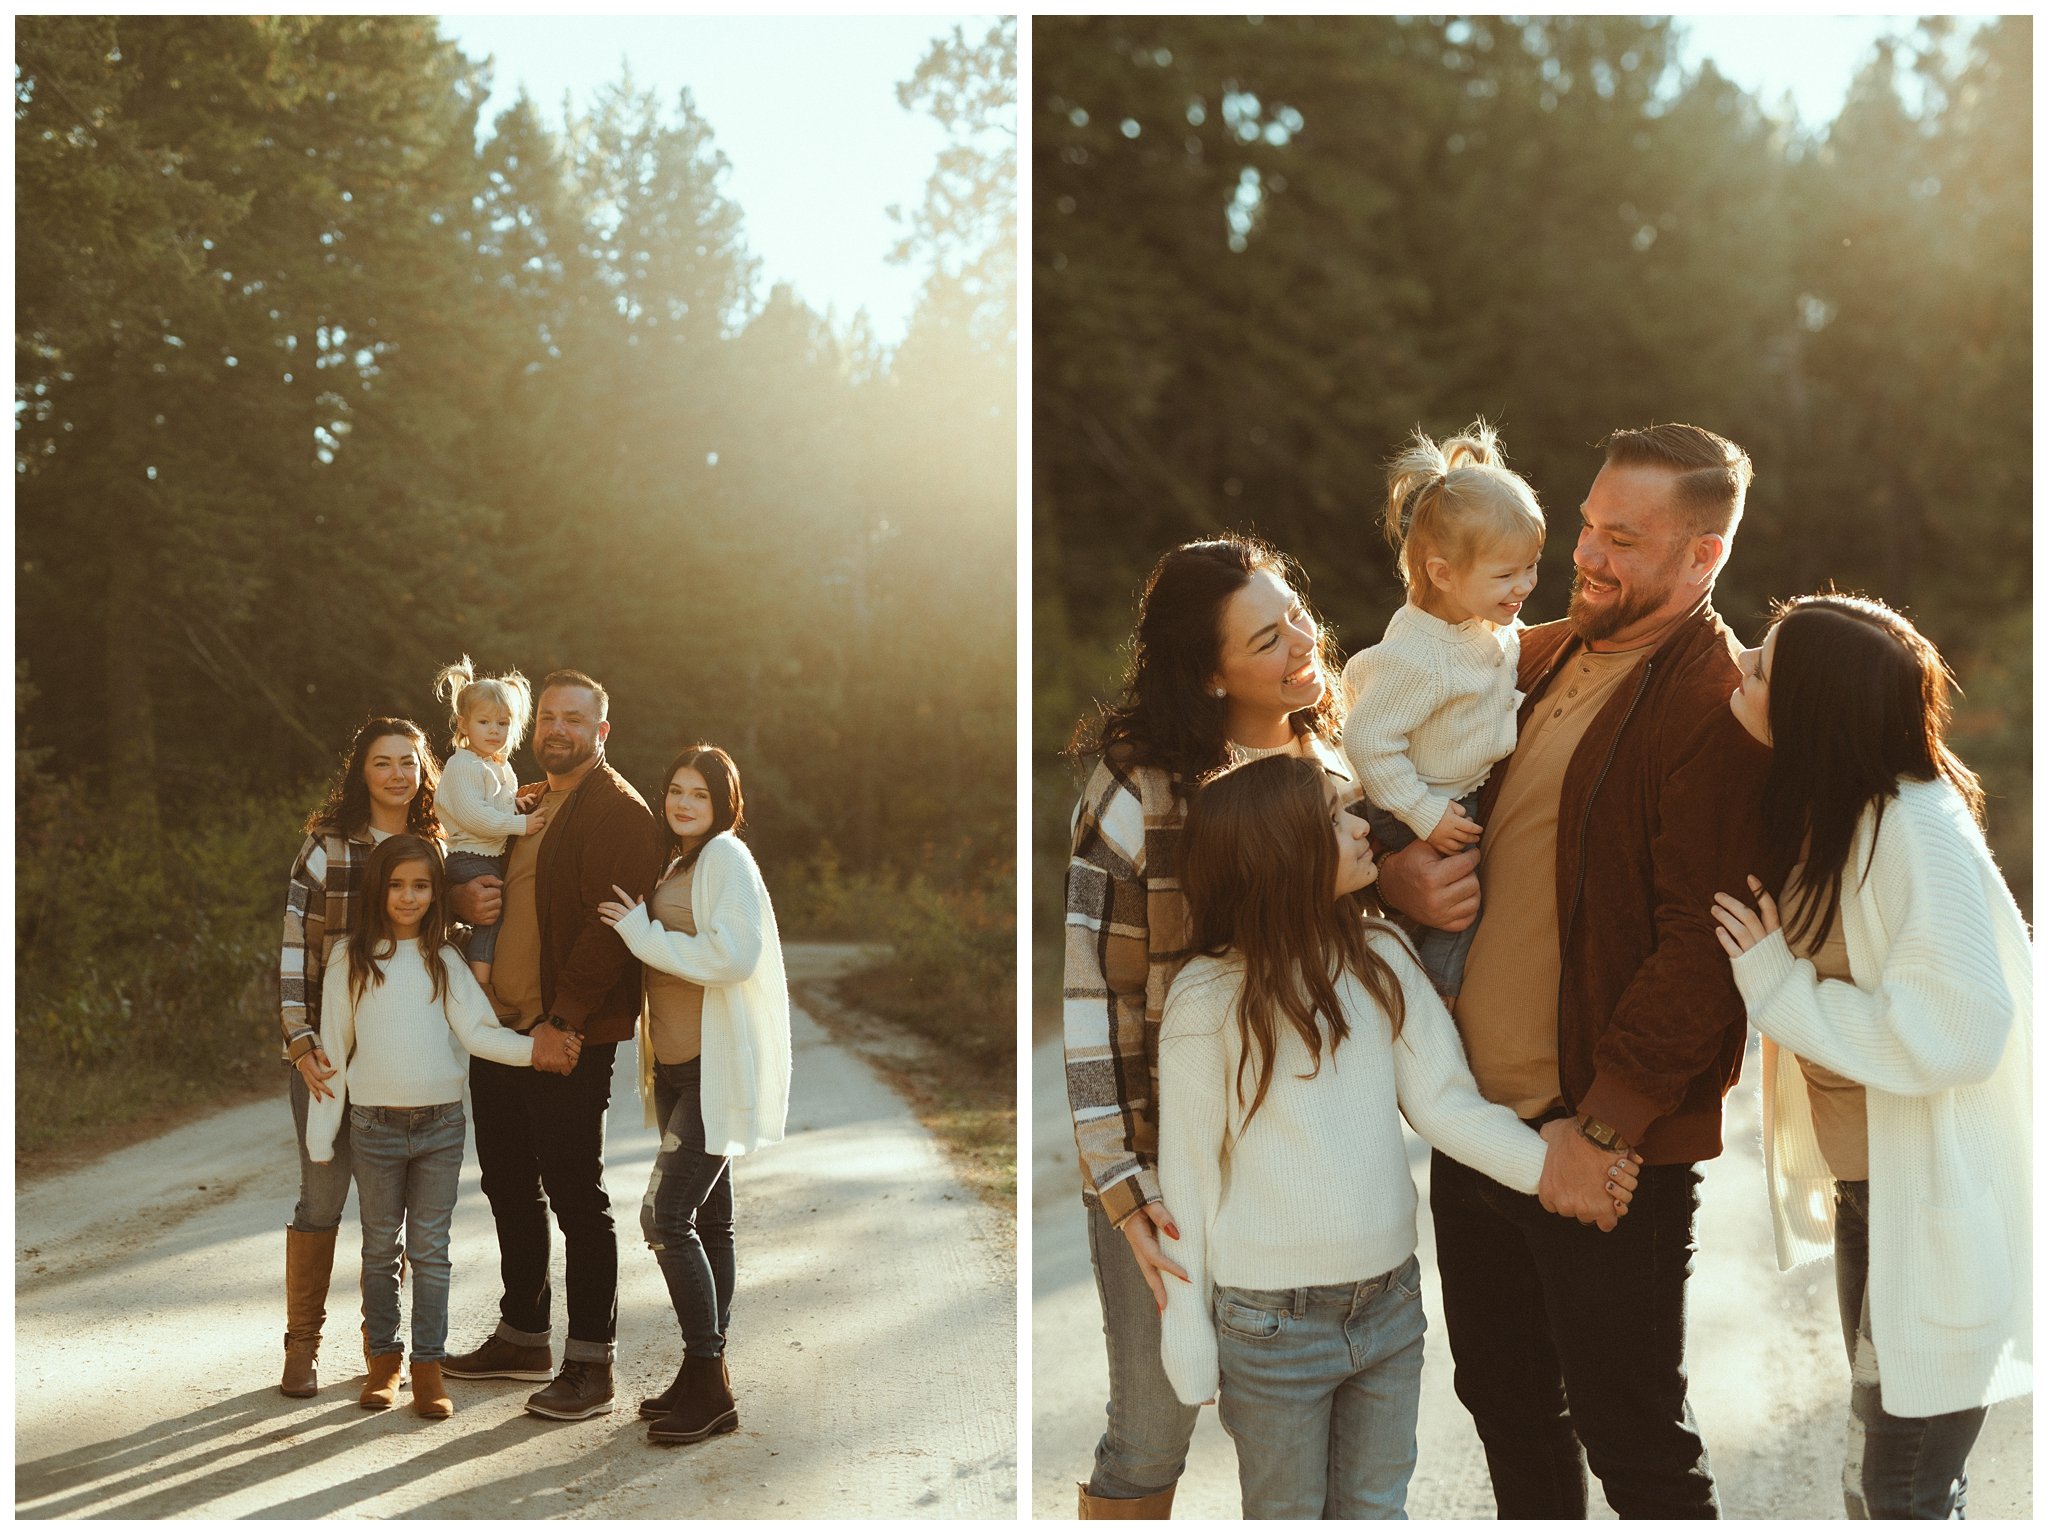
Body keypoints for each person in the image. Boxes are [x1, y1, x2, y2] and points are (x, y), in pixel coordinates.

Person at [1375, 422, 1771, 1517]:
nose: (1587, 555)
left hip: (1598, 1146)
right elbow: (1417, 792)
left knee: (1634, 1439)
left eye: (1622, 539)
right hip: (1482, 1130)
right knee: (1503, 1406)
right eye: (1587, 525)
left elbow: (1703, 939)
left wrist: (1597, 1130)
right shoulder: (1526, 652)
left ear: (1702, 556)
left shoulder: (1713, 702)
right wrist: (1397, 879)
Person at [1157, 755, 1637, 1519]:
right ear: (1278, 849)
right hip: (1270, 1326)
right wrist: (1185, 1325)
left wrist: (1556, 1166)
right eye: (1336, 816)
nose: (1361, 825)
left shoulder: (1379, 955)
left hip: (1388, 1310)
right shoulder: (1206, 1000)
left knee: (1377, 1511)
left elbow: (1447, 1106)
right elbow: (1186, 1179)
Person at [1706, 593, 2031, 1519]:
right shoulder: (1840, 805)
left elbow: (1964, 1029)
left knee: (1901, 1488)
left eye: (1765, 666)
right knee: (1887, 1483)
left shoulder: (1913, 830)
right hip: (1875, 1196)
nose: (1743, 668)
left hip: (1926, 1202)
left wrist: (1777, 988)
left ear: (1815, 706)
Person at [1062, 535, 1352, 1518]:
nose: (1302, 643)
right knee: (1150, 1428)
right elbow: (1091, 1002)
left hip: (1301, 1157)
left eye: (1297, 614)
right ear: (1206, 671)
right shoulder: (1135, 796)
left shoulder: (1333, 761)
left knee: (1305, 1424)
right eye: (1267, 637)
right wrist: (1121, 1185)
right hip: (1164, 1160)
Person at [442, 669, 664, 1421]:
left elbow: (610, 928)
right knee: (507, 1182)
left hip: (564, 1033)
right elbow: (469, 868)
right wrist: (460, 898)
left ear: (602, 732)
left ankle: (590, 1365)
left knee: (576, 1194)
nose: (557, 729)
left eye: (575, 718)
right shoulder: (523, 800)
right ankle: (523, 1332)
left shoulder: (618, 811)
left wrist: (563, 1022)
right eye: (548, 717)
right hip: (502, 1028)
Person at [304, 835, 577, 1418]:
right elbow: (333, 1049)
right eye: (398, 885)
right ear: (380, 888)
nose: (409, 897)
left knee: (430, 1251)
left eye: (421, 886)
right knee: (380, 1249)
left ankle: (428, 1367)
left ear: (436, 894)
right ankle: (385, 1363)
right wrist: (322, 1133)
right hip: (373, 1126)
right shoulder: (351, 958)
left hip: (439, 1128)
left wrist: (537, 1052)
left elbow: (479, 1034)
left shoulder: (445, 959)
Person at [598, 744, 793, 1446]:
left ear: (723, 804)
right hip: (680, 1068)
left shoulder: (725, 860)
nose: (682, 802)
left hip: (715, 1067)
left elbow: (734, 955)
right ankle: (700, 1374)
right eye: (675, 789)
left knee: (664, 1215)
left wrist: (640, 933)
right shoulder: (680, 861)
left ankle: (709, 1383)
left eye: (698, 795)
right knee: (711, 1223)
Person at [1341, 419, 1544, 1002]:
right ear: (1442, 574)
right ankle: (1432, 1005)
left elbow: (1500, 659)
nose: (1525, 584)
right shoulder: (1417, 658)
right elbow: (1367, 741)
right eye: (1506, 574)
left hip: (1452, 792)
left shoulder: (1477, 619)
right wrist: (1423, 814)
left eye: (1530, 566)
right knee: (1461, 909)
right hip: (1416, 799)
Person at [276, 718, 441, 1397]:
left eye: (410, 761)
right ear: (362, 772)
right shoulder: (325, 848)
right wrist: (298, 1036)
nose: (399, 773)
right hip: (327, 1051)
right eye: (384, 762)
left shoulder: (435, 845)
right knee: (322, 1194)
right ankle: (302, 1347)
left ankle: (386, 1352)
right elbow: (293, 947)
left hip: (401, 1058)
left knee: (391, 1212)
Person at [430, 656, 549, 1007]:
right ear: (463, 724)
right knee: (492, 918)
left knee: (503, 914)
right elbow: (474, 816)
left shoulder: (501, 767)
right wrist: (521, 824)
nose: (495, 730)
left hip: (490, 855)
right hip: (469, 857)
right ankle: (481, 988)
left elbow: (496, 805)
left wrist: (516, 806)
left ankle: (486, 980)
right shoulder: (462, 765)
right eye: (485, 722)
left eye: (503, 723)